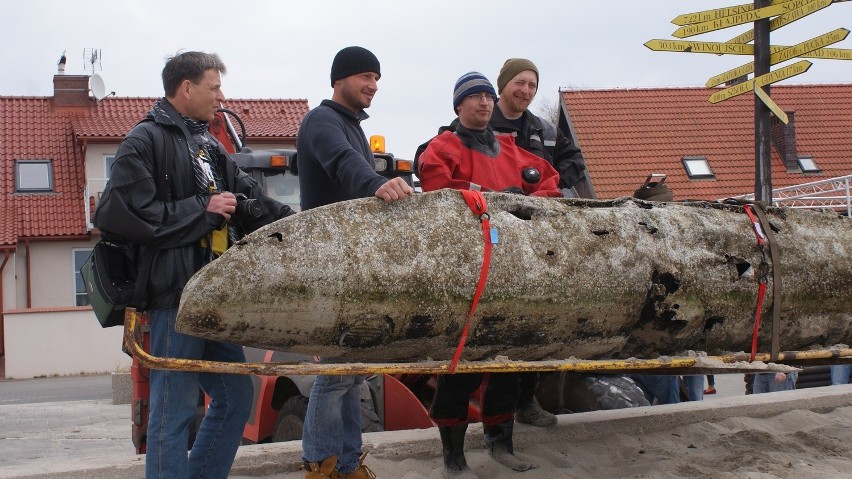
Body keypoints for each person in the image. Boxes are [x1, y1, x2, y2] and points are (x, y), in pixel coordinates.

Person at [94, 51, 295, 478]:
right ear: (186, 88)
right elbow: (127, 214)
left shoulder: (208, 144)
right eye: (214, 87)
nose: (221, 97)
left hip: (214, 299)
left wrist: (301, 224)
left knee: (235, 397)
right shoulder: (143, 140)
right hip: (174, 299)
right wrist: (203, 209)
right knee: (174, 410)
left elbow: (250, 198)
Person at [418, 71, 562, 478]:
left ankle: (503, 446)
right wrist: (492, 198)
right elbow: (439, 196)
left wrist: (522, 204)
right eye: (474, 97)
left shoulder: (512, 149)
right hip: (467, 274)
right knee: (461, 366)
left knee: (508, 363)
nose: (483, 102)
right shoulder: (442, 148)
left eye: (486, 95)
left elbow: (551, 184)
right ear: (458, 106)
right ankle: (453, 456)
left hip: (513, 272)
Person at [297, 46, 413, 479]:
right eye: (365, 76)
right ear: (339, 78)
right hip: (330, 262)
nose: (373, 85)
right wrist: (376, 184)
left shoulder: (351, 127)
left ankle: (346, 464)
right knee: (336, 372)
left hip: (352, 263)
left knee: (352, 372)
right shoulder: (322, 122)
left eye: (377, 78)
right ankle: (321, 464)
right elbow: (343, 165)